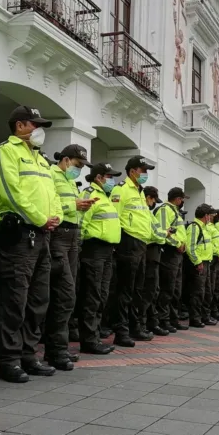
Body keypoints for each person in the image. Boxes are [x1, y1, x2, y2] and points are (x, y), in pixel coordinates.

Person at [0, 105, 62, 383]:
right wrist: (40, 218)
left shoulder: (41, 159)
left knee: (38, 300)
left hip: (43, 235)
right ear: (20, 126)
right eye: (35, 124)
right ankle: (8, 360)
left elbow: (53, 192)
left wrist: (54, 217)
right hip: (20, 235)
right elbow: (10, 192)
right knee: (14, 300)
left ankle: (28, 355)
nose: (39, 130)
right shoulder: (6, 152)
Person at [45, 144, 93, 370]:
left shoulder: (69, 181)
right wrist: (72, 204)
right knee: (63, 294)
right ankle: (55, 351)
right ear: (65, 160)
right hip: (58, 235)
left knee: (68, 293)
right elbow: (49, 204)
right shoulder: (52, 175)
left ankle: (58, 348)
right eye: (77, 165)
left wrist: (79, 208)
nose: (80, 170)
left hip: (72, 236)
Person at [77, 163, 121, 354]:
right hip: (93, 250)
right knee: (92, 296)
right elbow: (80, 222)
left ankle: (94, 335)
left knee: (101, 295)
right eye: (109, 176)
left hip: (106, 251)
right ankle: (89, 340)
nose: (112, 180)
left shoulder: (106, 196)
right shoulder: (89, 194)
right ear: (98, 178)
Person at [110, 156, 155, 347]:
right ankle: (121, 332)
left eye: (146, 171)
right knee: (125, 290)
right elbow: (114, 216)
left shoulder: (139, 192)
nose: (145, 174)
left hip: (141, 244)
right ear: (132, 171)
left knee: (137, 290)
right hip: (128, 242)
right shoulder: (121, 189)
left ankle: (135, 327)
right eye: (142, 170)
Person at [155, 188, 188, 333]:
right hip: (170, 252)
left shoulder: (175, 212)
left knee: (176, 289)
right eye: (182, 199)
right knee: (167, 288)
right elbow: (164, 231)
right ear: (177, 198)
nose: (183, 202)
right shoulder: (164, 210)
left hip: (178, 254)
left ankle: (173, 319)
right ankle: (163, 320)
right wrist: (177, 244)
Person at [137, 186, 168, 337]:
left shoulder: (149, 213)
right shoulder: (144, 213)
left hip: (154, 254)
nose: (154, 203)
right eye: (153, 200)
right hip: (149, 252)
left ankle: (150, 322)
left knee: (153, 290)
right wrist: (165, 234)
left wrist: (163, 234)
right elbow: (155, 233)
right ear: (148, 197)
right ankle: (142, 324)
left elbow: (158, 232)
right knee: (148, 290)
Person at [185, 204, 215, 328]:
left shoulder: (204, 227)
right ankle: (195, 318)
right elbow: (191, 247)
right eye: (210, 215)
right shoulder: (195, 227)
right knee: (197, 292)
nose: (211, 218)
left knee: (206, 291)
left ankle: (205, 316)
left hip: (206, 263)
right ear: (205, 216)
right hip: (199, 264)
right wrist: (197, 262)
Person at [206, 212, 219, 322]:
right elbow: (210, 243)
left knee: (217, 287)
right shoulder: (208, 227)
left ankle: (214, 311)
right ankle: (210, 312)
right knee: (211, 288)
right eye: (213, 214)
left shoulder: (215, 227)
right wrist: (218, 252)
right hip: (214, 259)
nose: (215, 216)